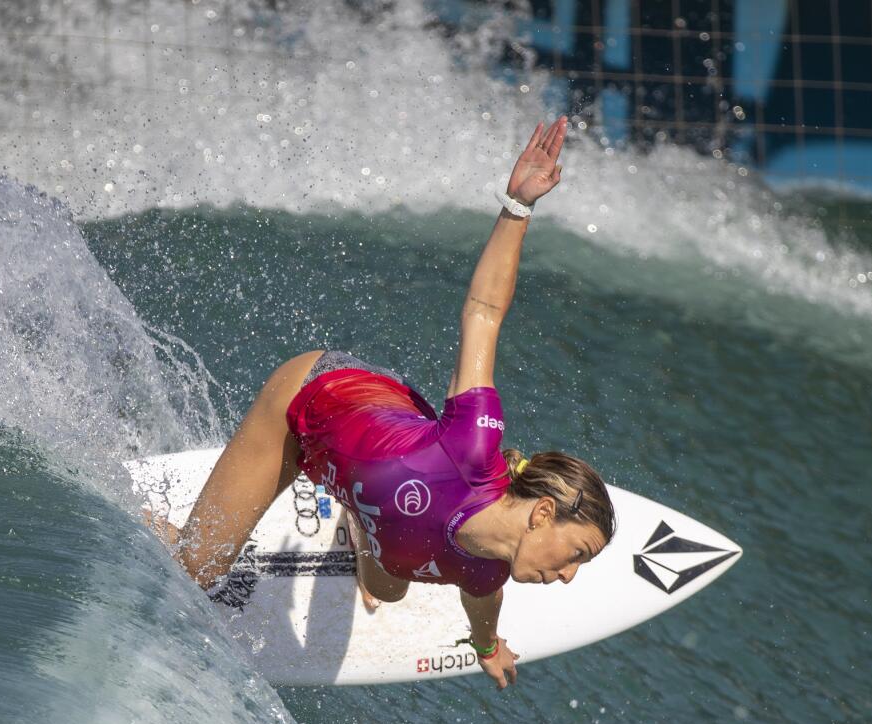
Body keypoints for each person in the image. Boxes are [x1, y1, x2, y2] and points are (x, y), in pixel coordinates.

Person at [154, 118, 615, 690]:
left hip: (380, 493)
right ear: (544, 513)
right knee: (198, 570)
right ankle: (145, 522)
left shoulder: (485, 568)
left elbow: (483, 600)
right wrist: (517, 208)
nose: (570, 575)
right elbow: (484, 312)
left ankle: (357, 518)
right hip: (310, 404)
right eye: (577, 554)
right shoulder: (473, 443)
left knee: (393, 583)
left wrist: (485, 645)